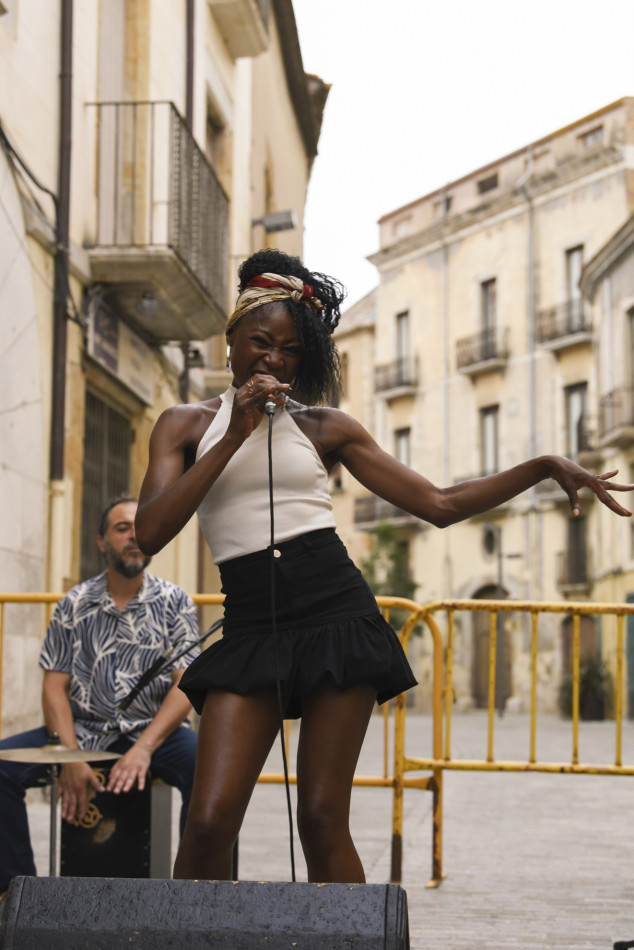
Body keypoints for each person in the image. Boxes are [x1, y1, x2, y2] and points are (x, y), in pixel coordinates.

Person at [134, 248, 633, 885]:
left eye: (289, 350)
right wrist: (233, 433)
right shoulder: (183, 425)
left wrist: (540, 467)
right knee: (207, 822)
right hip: (252, 626)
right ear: (230, 338)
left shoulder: (324, 427)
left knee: (319, 817)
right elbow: (149, 532)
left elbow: (441, 504)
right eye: (260, 342)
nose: (273, 359)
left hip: (338, 618)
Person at [0, 496, 200, 894]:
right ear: (101, 542)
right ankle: (15, 894)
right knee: (1, 768)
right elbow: (54, 687)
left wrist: (143, 748)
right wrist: (71, 756)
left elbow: (186, 685)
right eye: (122, 528)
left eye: (139, 528)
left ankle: (195, 892)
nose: (133, 537)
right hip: (85, 733)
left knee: (211, 767)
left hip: (154, 732)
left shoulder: (175, 602)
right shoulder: (73, 604)